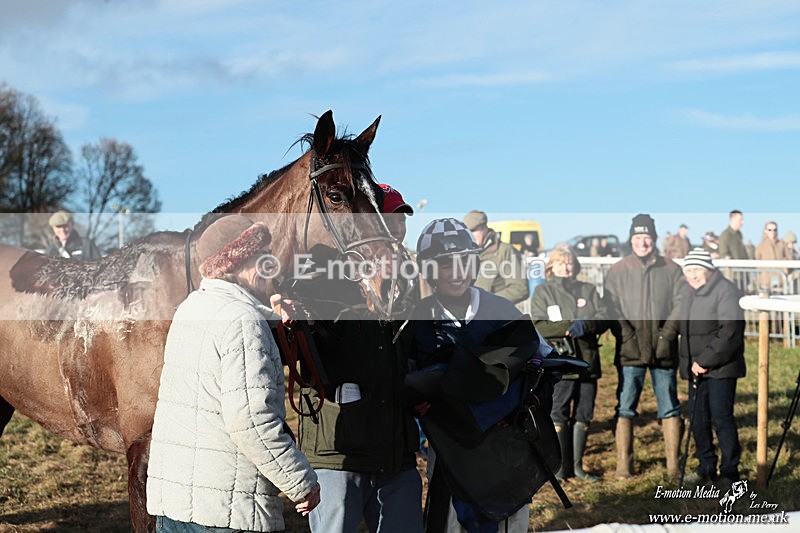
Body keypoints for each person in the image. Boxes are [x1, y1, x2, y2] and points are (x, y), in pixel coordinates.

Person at [147, 215, 320, 532]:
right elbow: (251, 422)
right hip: (226, 513)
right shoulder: (243, 321)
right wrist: (301, 482)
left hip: (175, 506)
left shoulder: (190, 307)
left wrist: (272, 320)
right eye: (262, 255)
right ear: (236, 262)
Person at [271, 184, 423, 533]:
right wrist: (281, 307)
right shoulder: (321, 271)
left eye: (402, 218)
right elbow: (287, 336)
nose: (397, 226)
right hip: (338, 453)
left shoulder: (407, 279)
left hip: (395, 454)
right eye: (389, 218)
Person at [410, 217, 554, 533]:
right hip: (449, 449)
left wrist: (518, 407)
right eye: (446, 264)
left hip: (503, 448)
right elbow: (406, 378)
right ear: (429, 270)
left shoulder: (501, 310)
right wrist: (415, 403)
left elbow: (543, 363)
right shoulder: (417, 319)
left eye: (465, 261)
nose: (457, 272)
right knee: (448, 524)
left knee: (508, 521)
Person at [604, 214, 683, 479]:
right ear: (631, 240)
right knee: (625, 406)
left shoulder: (672, 269)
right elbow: (611, 307)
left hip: (664, 350)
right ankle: (623, 466)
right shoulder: (617, 270)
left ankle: (673, 467)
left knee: (669, 406)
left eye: (647, 237)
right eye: (638, 237)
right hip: (630, 350)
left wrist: (666, 335)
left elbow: (681, 304)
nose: (642, 242)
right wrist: (627, 336)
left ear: (655, 239)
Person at [528, 245, 609, 482]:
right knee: (559, 412)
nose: (566, 267)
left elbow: (603, 317)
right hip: (561, 363)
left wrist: (586, 325)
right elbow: (539, 324)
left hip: (587, 360)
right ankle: (560, 467)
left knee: (584, 412)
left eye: (570, 262)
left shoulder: (588, 289)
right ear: (552, 266)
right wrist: (567, 326)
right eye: (561, 262)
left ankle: (578, 467)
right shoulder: (543, 291)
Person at [679, 248, 746, 485]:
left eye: (697, 269)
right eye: (688, 270)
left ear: (709, 270)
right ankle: (706, 466)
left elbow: (730, 331)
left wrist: (704, 361)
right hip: (696, 368)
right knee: (698, 419)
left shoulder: (726, 291)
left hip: (721, 368)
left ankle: (730, 471)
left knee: (721, 418)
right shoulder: (687, 292)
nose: (693, 275)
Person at [462, 210, 529, 304]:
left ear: (485, 228)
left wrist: (487, 302)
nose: (471, 236)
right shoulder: (466, 255)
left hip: (494, 311)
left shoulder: (505, 251)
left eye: (473, 231)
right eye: (467, 232)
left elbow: (520, 289)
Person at [755, 220, 792, 291]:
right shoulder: (760, 246)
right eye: (770, 230)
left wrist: (785, 269)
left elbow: (789, 258)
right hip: (766, 282)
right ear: (765, 231)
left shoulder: (782, 244)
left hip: (780, 281)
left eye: (775, 230)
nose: (772, 232)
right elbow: (757, 262)